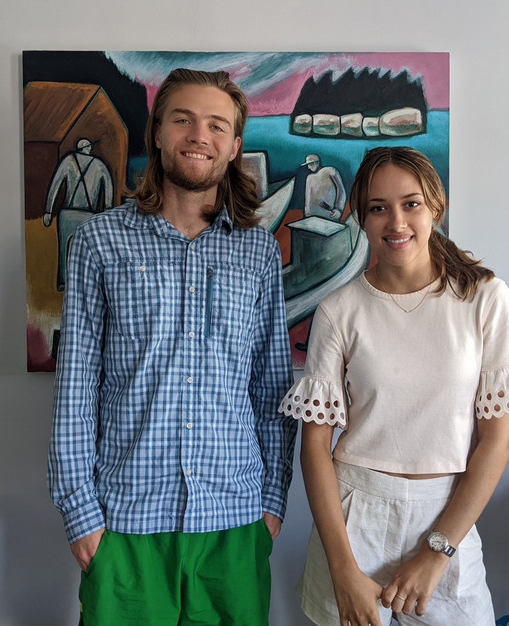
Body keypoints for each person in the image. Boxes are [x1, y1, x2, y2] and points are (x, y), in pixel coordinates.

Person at [48, 68, 297, 626]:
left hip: (234, 522)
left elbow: (271, 388)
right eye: (182, 119)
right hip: (124, 522)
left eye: (216, 125)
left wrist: (271, 505)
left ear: (234, 147)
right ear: (157, 132)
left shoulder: (257, 253)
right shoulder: (98, 241)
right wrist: (81, 514)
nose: (198, 135)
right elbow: (76, 387)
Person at [279, 146, 509, 626]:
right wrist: (342, 570)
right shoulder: (339, 311)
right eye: (378, 208)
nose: (396, 221)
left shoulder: (485, 299)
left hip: (447, 517)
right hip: (352, 518)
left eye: (411, 203)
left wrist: (437, 552)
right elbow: (315, 448)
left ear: (436, 207)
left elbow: (496, 442)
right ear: (361, 217)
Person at [43, 138, 114, 291]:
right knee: (88, 254)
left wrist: (48, 211)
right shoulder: (100, 166)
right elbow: (108, 195)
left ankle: (62, 281)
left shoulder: (68, 161)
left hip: (67, 213)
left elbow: (54, 186)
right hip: (89, 216)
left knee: (63, 250)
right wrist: (107, 217)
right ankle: (85, 285)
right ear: (88, 148)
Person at [301, 153, 346, 220]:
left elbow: (341, 190)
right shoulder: (309, 177)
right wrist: (307, 214)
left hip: (329, 215)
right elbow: (308, 199)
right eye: (308, 165)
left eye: (310, 164)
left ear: (317, 163)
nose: (308, 167)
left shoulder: (330, 170)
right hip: (311, 217)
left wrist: (339, 209)